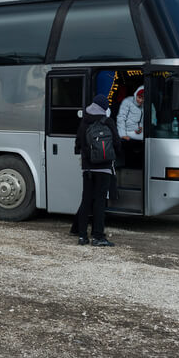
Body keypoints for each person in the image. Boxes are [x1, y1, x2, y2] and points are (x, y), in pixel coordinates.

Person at [73, 93, 122, 247]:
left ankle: (82, 236)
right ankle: (98, 236)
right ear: (104, 108)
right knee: (100, 202)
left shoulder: (84, 121)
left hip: (87, 168)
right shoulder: (108, 121)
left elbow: (78, 144)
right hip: (104, 168)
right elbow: (117, 142)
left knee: (86, 200)